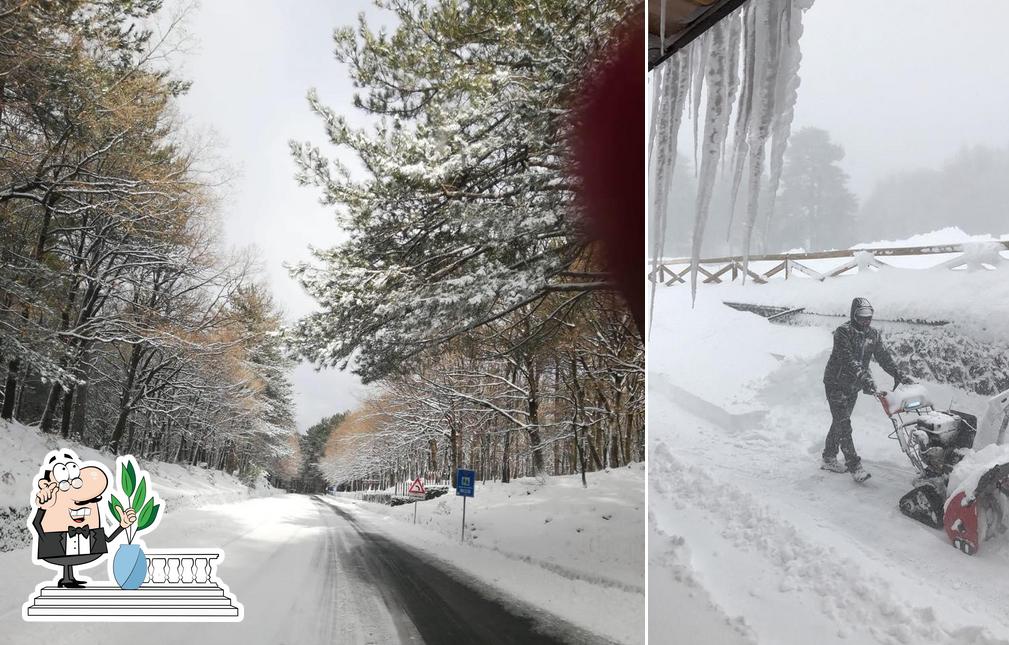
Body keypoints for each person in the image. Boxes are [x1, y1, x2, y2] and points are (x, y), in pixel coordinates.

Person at [821, 298, 911, 482]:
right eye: (861, 317)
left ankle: (829, 457)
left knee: (840, 421)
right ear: (854, 315)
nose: (865, 321)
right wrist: (865, 377)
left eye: (868, 317)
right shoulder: (843, 333)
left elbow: (883, 356)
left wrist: (898, 374)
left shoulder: (873, 335)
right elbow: (848, 360)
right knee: (844, 424)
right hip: (835, 382)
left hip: (853, 385)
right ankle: (855, 466)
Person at [30, 450, 137, 587]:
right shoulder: (51, 503)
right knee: (65, 557)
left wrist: (123, 525)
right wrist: (46, 540)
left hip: (83, 541)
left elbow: (108, 539)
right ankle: (67, 579)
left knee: (70, 557)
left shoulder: (92, 524)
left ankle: (69, 578)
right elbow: (35, 522)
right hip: (57, 542)